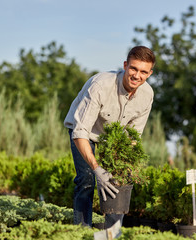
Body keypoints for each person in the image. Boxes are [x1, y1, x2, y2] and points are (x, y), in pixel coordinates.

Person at [64, 46, 155, 228]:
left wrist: (123, 166)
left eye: (143, 72)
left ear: (150, 74)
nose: (137, 75)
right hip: (85, 133)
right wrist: (98, 169)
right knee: (87, 179)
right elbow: (80, 132)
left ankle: (111, 235)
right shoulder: (101, 85)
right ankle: (82, 232)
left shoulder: (147, 95)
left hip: (113, 138)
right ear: (125, 65)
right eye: (133, 69)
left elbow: (132, 137)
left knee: (118, 181)